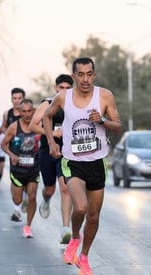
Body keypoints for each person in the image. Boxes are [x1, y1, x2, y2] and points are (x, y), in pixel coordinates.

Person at [42, 57, 122, 275]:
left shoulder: (104, 96)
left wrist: (102, 121)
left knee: (94, 216)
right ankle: (75, 238)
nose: (85, 79)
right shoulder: (63, 97)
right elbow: (46, 118)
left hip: (97, 163)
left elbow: (117, 126)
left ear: (94, 75)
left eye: (89, 74)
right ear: (74, 76)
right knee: (80, 207)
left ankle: (84, 256)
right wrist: (51, 142)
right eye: (81, 74)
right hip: (73, 162)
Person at [29, 74, 74, 244]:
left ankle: (65, 229)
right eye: (61, 88)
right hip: (48, 151)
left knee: (65, 188)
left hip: (67, 153)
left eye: (68, 88)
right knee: (50, 188)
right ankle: (46, 200)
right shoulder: (47, 104)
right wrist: (52, 133)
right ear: (55, 88)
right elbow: (33, 125)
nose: (64, 91)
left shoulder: (76, 104)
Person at [1, 99, 40, 238]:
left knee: (32, 196)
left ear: (34, 111)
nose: (27, 114)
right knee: (17, 200)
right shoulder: (13, 127)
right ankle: (20, 200)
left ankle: (28, 227)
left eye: (30, 111)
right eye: (24, 111)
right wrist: (12, 155)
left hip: (33, 169)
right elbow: (3, 144)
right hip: (18, 170)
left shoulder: (38, 125)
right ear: (20, 112)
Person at [2, 87, 27, 221]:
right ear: (11, 99)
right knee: (15, 180)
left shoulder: (29, 113)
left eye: (20, 98)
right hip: (14, 152)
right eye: (14, 98)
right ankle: (16, 209)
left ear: (24, 98)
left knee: (29, 181)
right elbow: (4, 128)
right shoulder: (8, 114)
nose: (17, 101)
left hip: (30, 152)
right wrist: (4, 130)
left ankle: (27, 198)